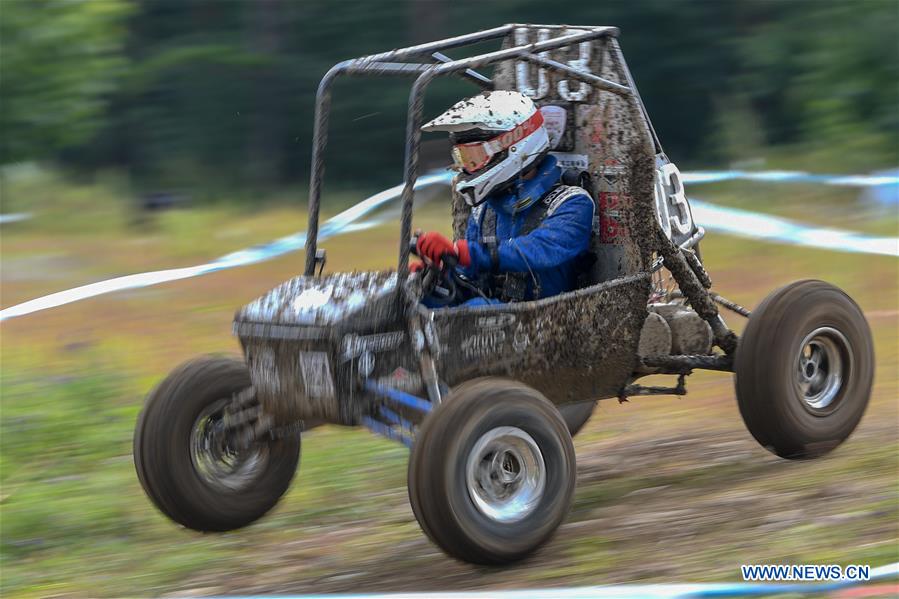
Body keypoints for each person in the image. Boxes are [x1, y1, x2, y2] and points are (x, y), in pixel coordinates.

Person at [412, 90, 595, 307]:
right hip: (498, 316)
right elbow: (470, 272)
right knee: (415, 297)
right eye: (462, 158)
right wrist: (442, 270)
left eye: (475, 157)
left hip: (551, 324)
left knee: (475, 310)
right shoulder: (485, 209)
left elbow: (538, 250)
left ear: (515, 145)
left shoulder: (573, 202)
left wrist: (463, 251)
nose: (468, 168)